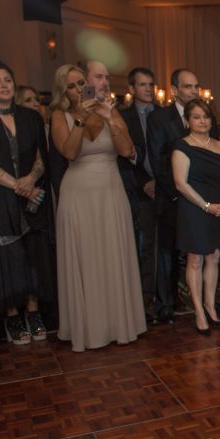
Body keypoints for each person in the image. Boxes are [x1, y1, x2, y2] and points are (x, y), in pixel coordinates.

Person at [51, 61, 146, 352]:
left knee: (113, 253)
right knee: (87, 256)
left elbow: (127, 150)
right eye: (73, 85)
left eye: (83, 83)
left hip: (111, 189)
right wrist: (81, 117)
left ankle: (119, 324)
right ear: (63, 91)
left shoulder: (111, 110)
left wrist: (109, 117)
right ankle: (89, 328)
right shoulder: (59, 115)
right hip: (79, 192)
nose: (80, 89)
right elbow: (69, 151)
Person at [0, 59, 55, 345]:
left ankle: (32, 312)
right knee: (8, 260)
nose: (3, 85)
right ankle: (12, 316)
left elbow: (42, 157)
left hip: (33, 196)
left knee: (33, 256)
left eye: (7, 79)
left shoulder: (31, 117)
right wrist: (18, 185)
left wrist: (31, 179)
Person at [147, 68, 217, 324]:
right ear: (175, 89)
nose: (193, 91)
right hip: (173, 197)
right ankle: (165, 304)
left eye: (196, 86)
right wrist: (179, 194)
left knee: (205, 253)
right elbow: (158, 161)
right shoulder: (159, 118)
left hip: (204, 199)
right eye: (187, 87)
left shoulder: (208, 117)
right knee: (168, 252)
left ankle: (207, 302)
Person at [172, 99, 220, 335]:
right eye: (196, 117)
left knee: (214, 258)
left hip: (219, 208)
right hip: (194, 208)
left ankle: (211, 306)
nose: (202, 121)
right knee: (195, 260)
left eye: (206, 116)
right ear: (187, 121)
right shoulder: (182, 146)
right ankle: (198, 311)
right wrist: (206, 206)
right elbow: (180, 183)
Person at [119, 67, 158, 314]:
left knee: (160, 246)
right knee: (142, 243)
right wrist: (145, 181)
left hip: (164, 187)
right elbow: (122, 155)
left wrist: (160, 182)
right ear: (132, 89)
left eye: (151, 84)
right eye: (143, 85)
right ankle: (142, 296)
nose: (148, 89)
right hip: (136, 188)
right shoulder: (122, 117)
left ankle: (162, 295)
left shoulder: (164, 115)